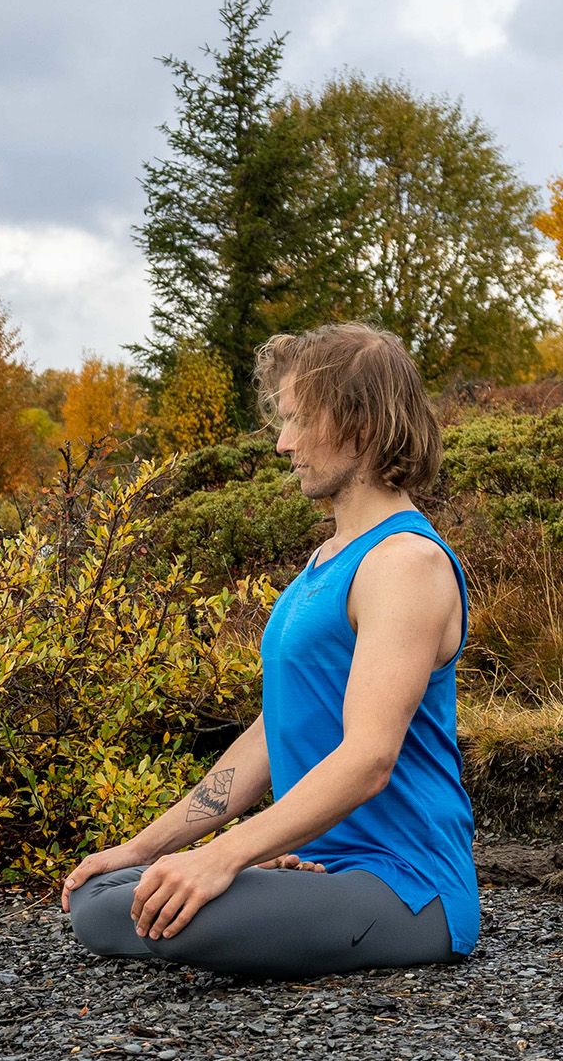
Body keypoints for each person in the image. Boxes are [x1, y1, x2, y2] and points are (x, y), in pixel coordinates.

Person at [57, 323, 478, 979]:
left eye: (298, 420)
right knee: (100, 891)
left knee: (132, 909)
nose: (283, 442)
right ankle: (277, 888)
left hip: (405, 888)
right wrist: (146, 844)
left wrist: (228, 856)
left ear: (359, 423)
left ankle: (279, 896)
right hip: (324, 868)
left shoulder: (405, 563)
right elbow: (268, 735)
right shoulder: (326, 561)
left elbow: (369, 759)